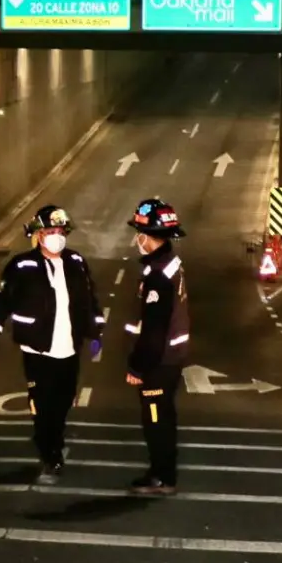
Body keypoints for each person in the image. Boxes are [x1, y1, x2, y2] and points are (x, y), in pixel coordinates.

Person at [0, 205, 105, 485]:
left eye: (60, 231)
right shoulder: (22, 265)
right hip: (37, 349)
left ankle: (53, 439)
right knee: (43, 404)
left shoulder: (77, 262)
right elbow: (4, 301)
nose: (56, 236)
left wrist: (95, 331)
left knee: (62, 402)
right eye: (50, 231)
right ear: (38, 235)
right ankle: (49, 453)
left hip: (69, 347)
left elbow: (90, 299)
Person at [123, 197, 190, 496]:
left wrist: (138, 367)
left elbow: (153, 329)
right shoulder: (170, 263)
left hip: (158, 363)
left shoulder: (157, 276)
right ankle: (162, 473)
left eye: (140, 232)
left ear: (148, 237)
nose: (137, 239)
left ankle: (162, 478)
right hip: (172, 358)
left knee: (156, 421)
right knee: (165, 418)